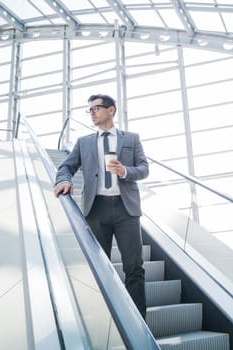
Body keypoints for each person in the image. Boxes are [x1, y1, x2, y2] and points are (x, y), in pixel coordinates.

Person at [54, 94, 149, 319]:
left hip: (127, 210)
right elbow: (66, 167)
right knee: (98, 267)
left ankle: (139, 324)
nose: (92, 113)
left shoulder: (131, 139)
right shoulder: (84, 142)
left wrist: (125, 171)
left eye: (97, 108)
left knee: (134, 269)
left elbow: (144, 168)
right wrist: (64, 180)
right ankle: (104, 319)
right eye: (90, 109)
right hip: (96, 210)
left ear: (111, 110)